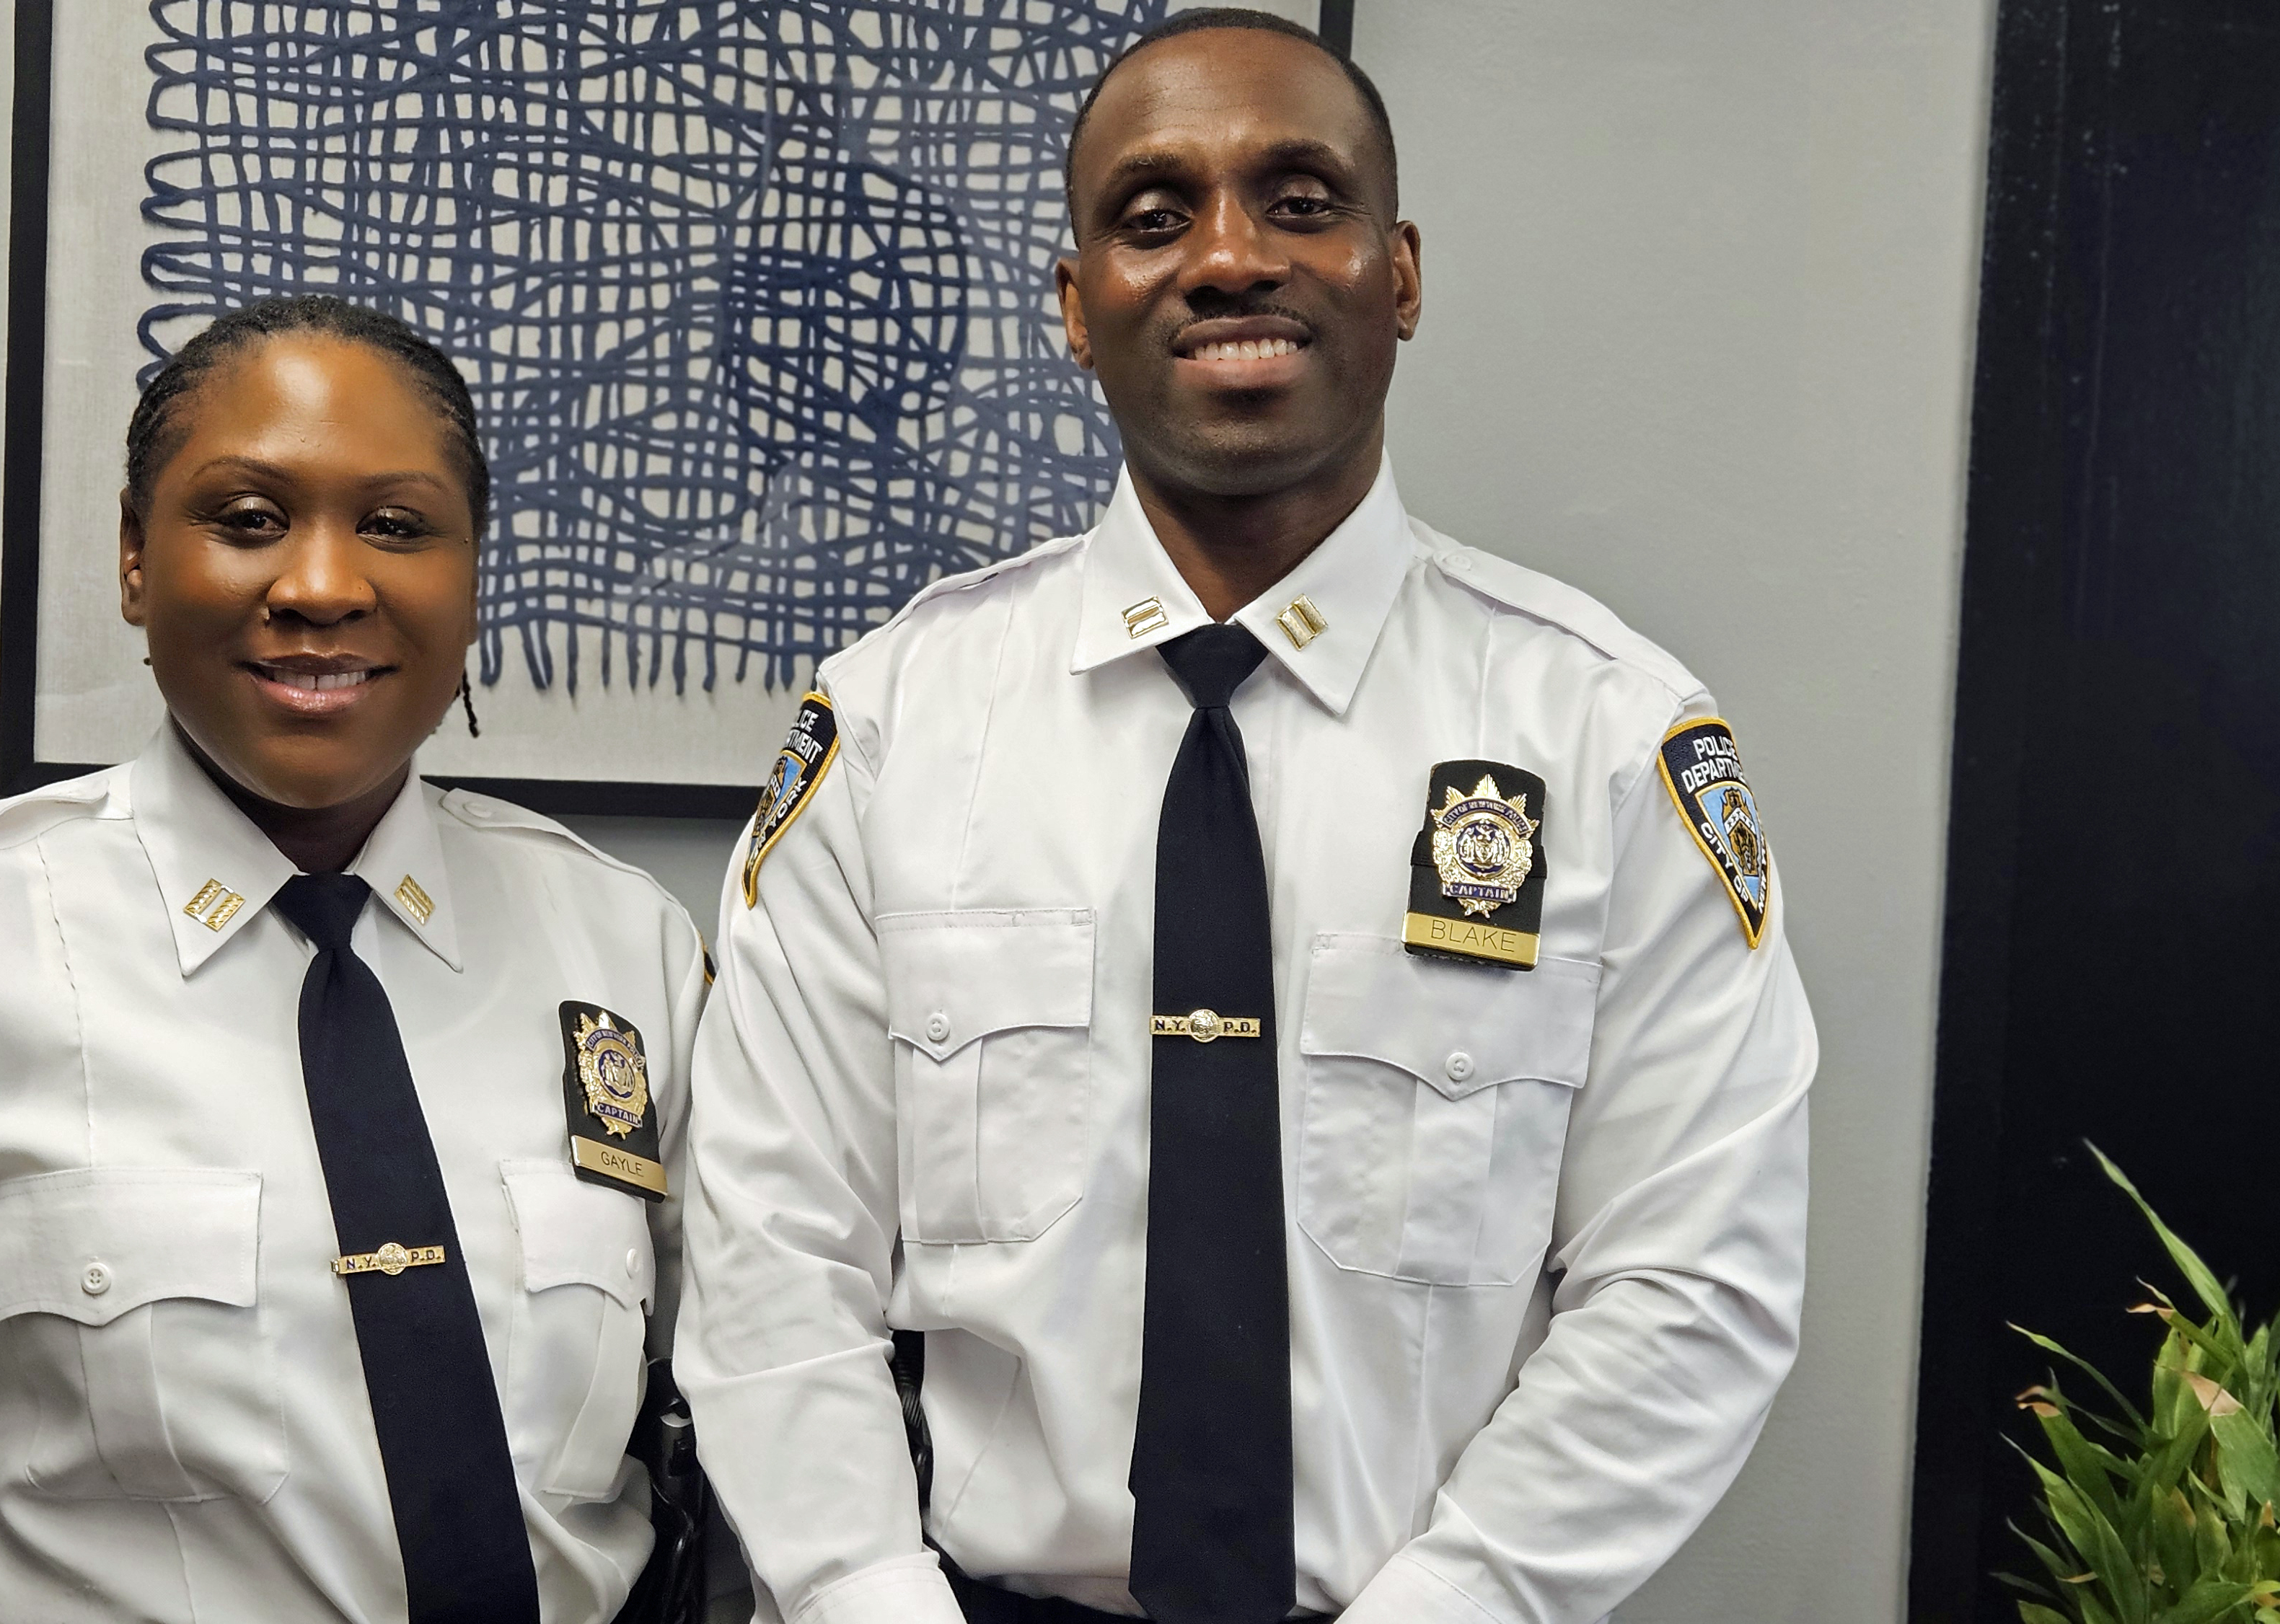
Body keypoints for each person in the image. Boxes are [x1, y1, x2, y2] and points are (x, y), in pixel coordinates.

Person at [674, 12, 1814, 1624]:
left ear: (1397, 273)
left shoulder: (1608, 739)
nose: (1227, 258)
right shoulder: (890, 731)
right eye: (1152, 218)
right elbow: (769, 1253)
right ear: (1076, 307)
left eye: (1297, 200)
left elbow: (1689, 1282)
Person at [0, 295, 706, 1624]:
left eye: (395, 526)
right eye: (249, 518)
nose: (323, 586)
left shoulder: (626, 950)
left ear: (472, 573)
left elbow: (760, 1395)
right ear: (132, 559)